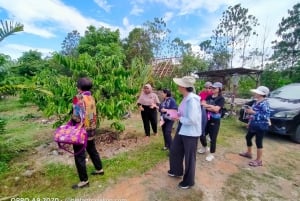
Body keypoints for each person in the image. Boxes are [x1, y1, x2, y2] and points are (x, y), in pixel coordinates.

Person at [168, 76, 202, 189]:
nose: (178, 86)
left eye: (179, 85)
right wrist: (177, 114)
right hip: (182, 129)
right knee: (175, 150)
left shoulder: (192, 100)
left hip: (190, 132)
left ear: (184, 87)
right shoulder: (186, 97)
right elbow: (184, 113)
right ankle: (176, 170)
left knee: (189, 157)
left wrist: (179, 119)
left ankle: (189, 181)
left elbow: (193, 119)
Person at [71, 77, 104, 189]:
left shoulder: (78, 98)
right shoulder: (91, 97)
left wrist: (71, 124)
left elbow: (75, 116)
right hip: (91, 128)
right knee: (91, 148)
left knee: (79, 154)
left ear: (79, 88)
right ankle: (99, 169)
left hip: (81, 130)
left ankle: (84, 181)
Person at [239, 86, 270, 167]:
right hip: (253, 124)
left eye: (257, 92)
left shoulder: (265, 104)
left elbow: (266, 116)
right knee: (248, 137)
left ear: (261, 94)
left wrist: (253, 112)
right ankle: (249, 153)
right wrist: (249, 121)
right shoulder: (256, 102)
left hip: (261, 126)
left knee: (258, 142)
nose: (255, 93)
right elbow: (253, 113)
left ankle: (259, 160)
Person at [200, 82, 225, 162]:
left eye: (215, 88)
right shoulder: (209, 96)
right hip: (206, 119)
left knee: (212, 137)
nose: (212, 89)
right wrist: (211, 107)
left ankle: (211, 153)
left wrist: (207, 106)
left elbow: (217, 109)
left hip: (215, 120)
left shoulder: (221, 99)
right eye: (212, 88)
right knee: (201, 133)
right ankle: (204, 147)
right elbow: (202, 103)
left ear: (219, 89)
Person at [197, 81, 213, 154]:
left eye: (209, 88)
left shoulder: (213, 95)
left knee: (210, 132)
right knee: (201, 132)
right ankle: (204, 146)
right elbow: (198, 103)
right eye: (206, 88)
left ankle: (209, 140)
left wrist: (205, 104)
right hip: (203, 115)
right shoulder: (201, 94)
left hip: (211, 115)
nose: (208, 89)